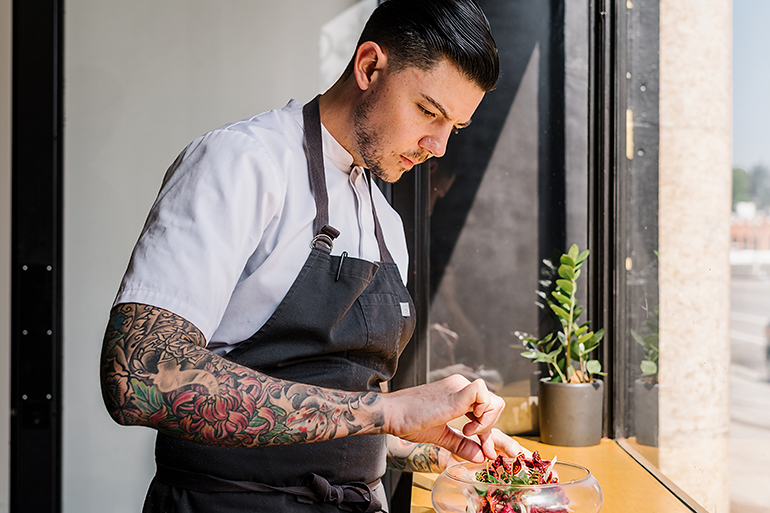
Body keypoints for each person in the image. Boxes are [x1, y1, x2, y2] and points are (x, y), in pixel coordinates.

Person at [99, 1, 527, 511]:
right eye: (428, 112)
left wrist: (434, 445)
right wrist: (385, 410)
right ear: (369, 66)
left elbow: (343, 413)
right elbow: (142, 375)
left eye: (453, 127)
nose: (437, 146)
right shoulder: (241, 164)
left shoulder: (385, 222)